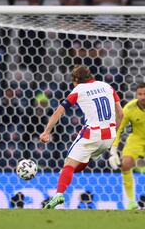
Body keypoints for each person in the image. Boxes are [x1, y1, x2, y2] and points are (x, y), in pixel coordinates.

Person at [40, 65, 123, 209]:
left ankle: (59, 194)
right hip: (109, 135)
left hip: (92, 133)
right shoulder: (107, 86)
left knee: (69, 164)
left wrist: (47, 131)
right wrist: (114, 132)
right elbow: (121, 114)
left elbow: (59, 111)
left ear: (76, 79)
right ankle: (65, 174)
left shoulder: (79, 89)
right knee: (82, 159)